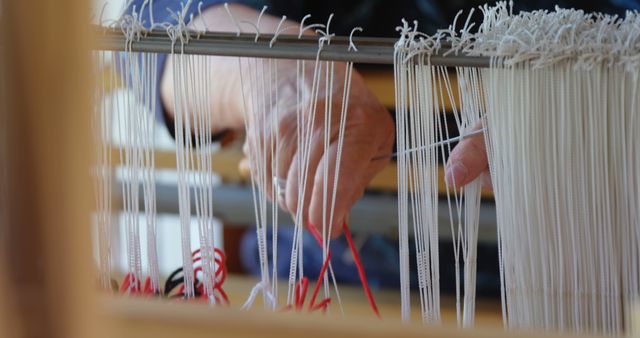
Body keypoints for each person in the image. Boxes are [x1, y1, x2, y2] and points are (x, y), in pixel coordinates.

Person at [128, 0, 639, 238]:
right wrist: (263, 67)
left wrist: (600, 107)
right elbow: (147, 26)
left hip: (591, 252)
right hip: (334, 275)